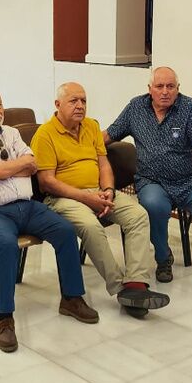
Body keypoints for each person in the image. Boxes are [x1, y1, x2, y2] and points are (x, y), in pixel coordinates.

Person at [0, 86, 99, 352]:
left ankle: (71, 298)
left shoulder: (12, 133)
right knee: (7, 245)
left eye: (0, 104)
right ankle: (6, 319)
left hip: (26, 206)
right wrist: (4, 170)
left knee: (66, 232)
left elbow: (32, 163)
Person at [31, 82, 169, 318]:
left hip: (97, 190)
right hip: (63, 197)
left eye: (83, 101)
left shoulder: (91, 126)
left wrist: (108, 190)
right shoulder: (45, 134)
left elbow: (103, 163)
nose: (80, 106)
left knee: (138, 215)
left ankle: (136, 284)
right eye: (73, 101)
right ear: (57, 104)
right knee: (91, 226)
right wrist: (86, 198)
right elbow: (46, 182)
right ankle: (120, 288)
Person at [105, 66, 192, 296]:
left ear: (178, 89)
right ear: (149, 89)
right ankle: (163, 257)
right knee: (153, 206)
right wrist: (83, 150)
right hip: (151, 181)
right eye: (159, 86)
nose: (165, 91)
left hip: (189, 180)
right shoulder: (135, 108)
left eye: (171, 86)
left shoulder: (190, 108)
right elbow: (109, 135)